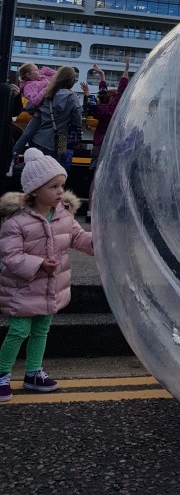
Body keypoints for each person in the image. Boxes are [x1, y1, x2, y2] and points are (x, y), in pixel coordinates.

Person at [0, 148, 94, 402]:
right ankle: (2, 374)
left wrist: (101, 243)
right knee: (19, 330)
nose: (60, 192)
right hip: (22, 288)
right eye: (53, 186)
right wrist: (39, 263)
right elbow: (10, 256)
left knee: (42, 330)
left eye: (62, 185)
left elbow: (79, 238)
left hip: (50, 287)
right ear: (35, 190)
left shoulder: (63, 215)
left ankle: (33, 372)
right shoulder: (16, 222)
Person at [81, 57, 130, 222]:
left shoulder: (100, 109)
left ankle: (90, 211)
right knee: (113, 180)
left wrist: (101, 77)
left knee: (96, 180)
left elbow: (102, 94)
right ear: (113, 99)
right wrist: (126, 69)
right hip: (112, 148)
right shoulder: (112, 110)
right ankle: (109, 210)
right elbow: (122, 89)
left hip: (97, 147)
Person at [11, 66, 82, 161]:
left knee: (34, 169)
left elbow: (30, 107)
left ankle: (12, 158)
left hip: (38, 139)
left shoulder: (47, 93)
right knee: (55, 168)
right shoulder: (73, 98)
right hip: (61, 139)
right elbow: (77, 120)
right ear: (72, 81)